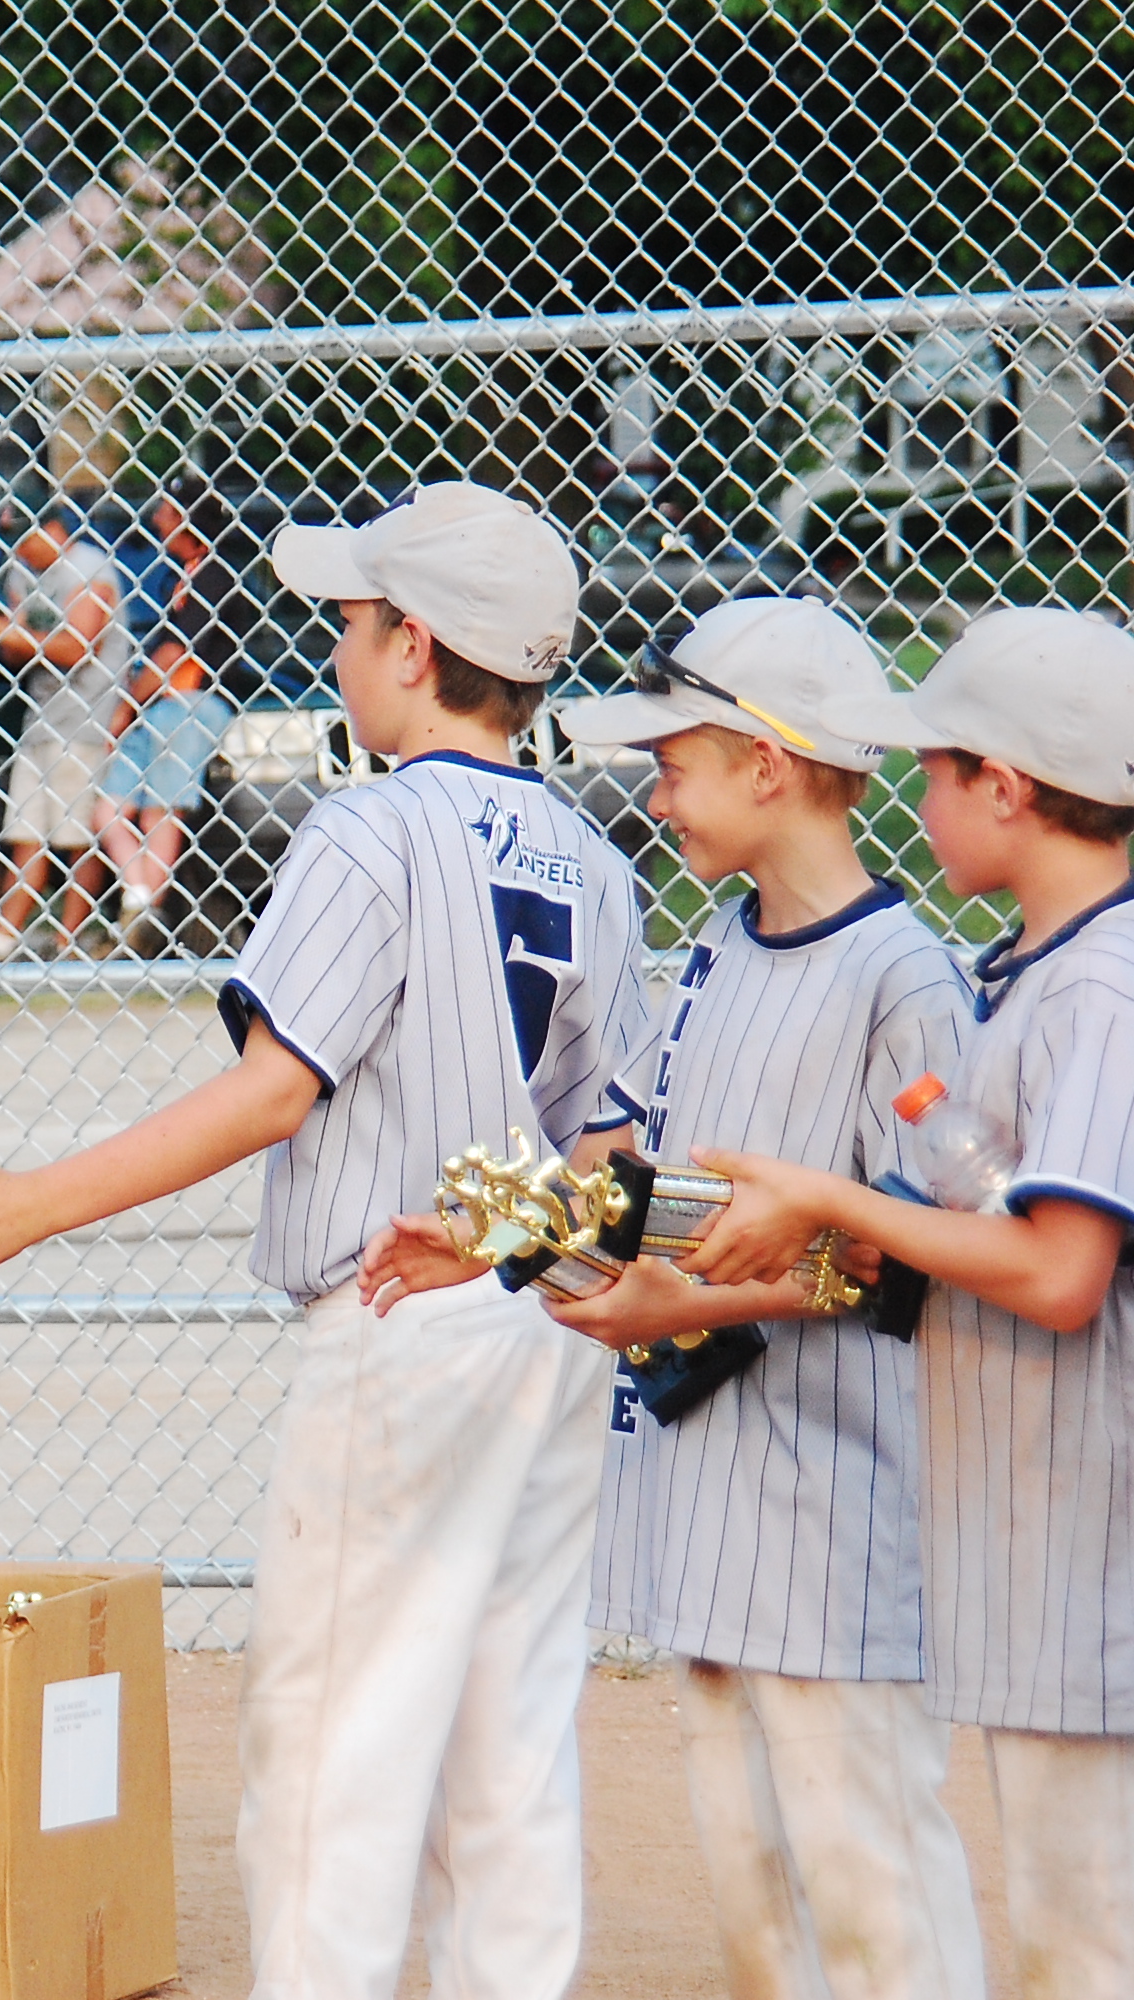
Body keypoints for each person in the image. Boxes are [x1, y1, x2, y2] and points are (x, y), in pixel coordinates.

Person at [0, 482, 648, 1997]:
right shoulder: (595, 859)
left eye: (351, 623)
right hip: (548, 1319)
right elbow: (606, 1156)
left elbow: (273, 1091)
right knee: (509, 1735)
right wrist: (509, 1239)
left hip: (399, 1316)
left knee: (331, 1738)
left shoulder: (369, 827)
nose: (336, 650)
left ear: (413, 646)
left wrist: (28, 1202)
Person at [361, 596, 988, 1999]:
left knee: (866, 1869)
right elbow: (638, 1168)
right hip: (712, 1498)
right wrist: (497, 1232)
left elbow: (930, 1254)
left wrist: (685, 1299)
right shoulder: (716, 946)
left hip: (838, 1510)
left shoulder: (902, 980)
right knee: (749, 1873)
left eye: (675, 764)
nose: (655, 795)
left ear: (767, 763)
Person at [670, 607, 1134, 1998]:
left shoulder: (1101, 986)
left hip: (1089, 1529)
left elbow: (1059, 1272)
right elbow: (967, 1235)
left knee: (1086, 1932)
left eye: (933, 770)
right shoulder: (1030, 973)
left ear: (1005, 785)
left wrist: (834, 1200)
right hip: (1030, 1526)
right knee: (1057, 1911)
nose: (913, 799)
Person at [0, 498, 128, 959]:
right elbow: (19, 653)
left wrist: (8, 631)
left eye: (24, 539)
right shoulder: (23, 575)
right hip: (41, 720)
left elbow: (77, 648)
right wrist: (5, 631)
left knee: (77, 838)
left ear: (52, 529)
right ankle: (4, 934)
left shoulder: (89, 569)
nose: (19, 551)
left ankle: (69, 938)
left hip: (87, 719)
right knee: (25, 831)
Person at [95, 479, 236, 949]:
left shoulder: (215, 575)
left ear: (186, 519)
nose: (156, 518)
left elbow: (177, 655)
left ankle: (142, 924)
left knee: (160, 810)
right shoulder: (177, 577)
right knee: (109, 809)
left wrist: (125, 708)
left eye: (165, 510)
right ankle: (141, 902)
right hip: (159, 707)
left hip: (192, 704)